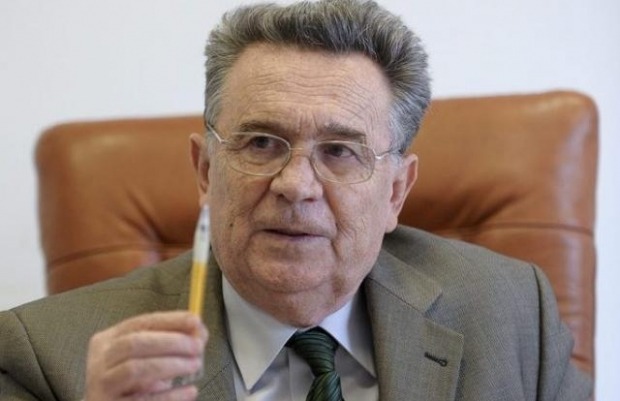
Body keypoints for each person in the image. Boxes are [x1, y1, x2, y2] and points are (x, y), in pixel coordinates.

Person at [0, 0, 592, 400]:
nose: (296, 184)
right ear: (205, 171)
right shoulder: (45, 358)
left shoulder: (513, 315)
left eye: (340, 151)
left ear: (395, 192)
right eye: (261, 143)